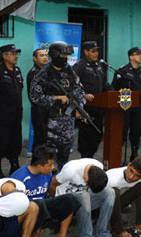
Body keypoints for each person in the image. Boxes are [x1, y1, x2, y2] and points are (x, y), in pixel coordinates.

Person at [10, 146, 80, 237]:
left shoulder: (47, 174)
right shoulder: (19, 178)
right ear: (39, 166)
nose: (53, 168)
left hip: (42, 208)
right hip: (25, 212)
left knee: (69, 199)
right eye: (49, 165)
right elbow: (12, 203)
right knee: (38, 204)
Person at [30, 41, 86, 170]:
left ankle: (62, 174)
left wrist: (79, 108)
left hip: (67, 119)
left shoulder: (70, 72)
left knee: (65, 150)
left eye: (66, 56)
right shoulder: (43, 75)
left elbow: (80, 92)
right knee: (48, 152)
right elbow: (35, 97)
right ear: (54, 55)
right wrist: (55, 98)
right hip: (50, 120)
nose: (65, 59)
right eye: (62, 56)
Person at [49, 158, 116, 237]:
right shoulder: (71, 171)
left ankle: (102, 233)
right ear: (86, 178)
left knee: (110, 192)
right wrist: (58, 202)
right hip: (67, 200)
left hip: (85, 201)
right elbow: (51, 184)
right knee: (84, 195)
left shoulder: (99, 166)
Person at [0, 44, 24, 178]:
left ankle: (14, 165)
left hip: (16, 114)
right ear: (5, 56)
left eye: (16, 53)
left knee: (15, 141)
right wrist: (1, 103)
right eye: (13, 53)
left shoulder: (17, 70)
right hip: (1, 115)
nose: (16, 56)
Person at [73, 41, 113, 158]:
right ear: (86, 52)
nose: (96, 54)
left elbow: (104, 83)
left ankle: (91, 156)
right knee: (86, 137)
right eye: (93, 51)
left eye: (97, 51)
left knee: (97, 135)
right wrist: (84, 95)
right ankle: (85, 158)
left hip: (99, 107)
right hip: (86, 108)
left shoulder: (100, 65)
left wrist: (113, 91)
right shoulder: (79, 66)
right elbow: (74, 85)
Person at [106, 156, 141, 237]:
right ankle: (117, 229)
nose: (131, 177)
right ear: (128, 165)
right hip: (100, 206)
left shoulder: (140, 179)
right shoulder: (113, 178)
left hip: (117, 203)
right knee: (114, 192)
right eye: (131, 171)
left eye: (137, 175)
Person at [111, 47, 141, 161]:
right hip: (125, 103)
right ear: (131, 57)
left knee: (137, 129)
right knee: (122, 130)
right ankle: (118, 154)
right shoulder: (123, 71)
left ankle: (134, 153)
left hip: (137, 104)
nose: (140, 56)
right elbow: (114, 87)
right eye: (137, 54)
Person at [27, 49, 49, 151]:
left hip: (48, 111)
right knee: (40, 141)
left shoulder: (45, 72)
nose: (45, 57)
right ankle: (37, 163)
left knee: (46, 141)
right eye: (41, 55)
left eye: (46, 55)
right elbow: (35, 97)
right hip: (40, 111)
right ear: (34, 58)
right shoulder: (34, 74)